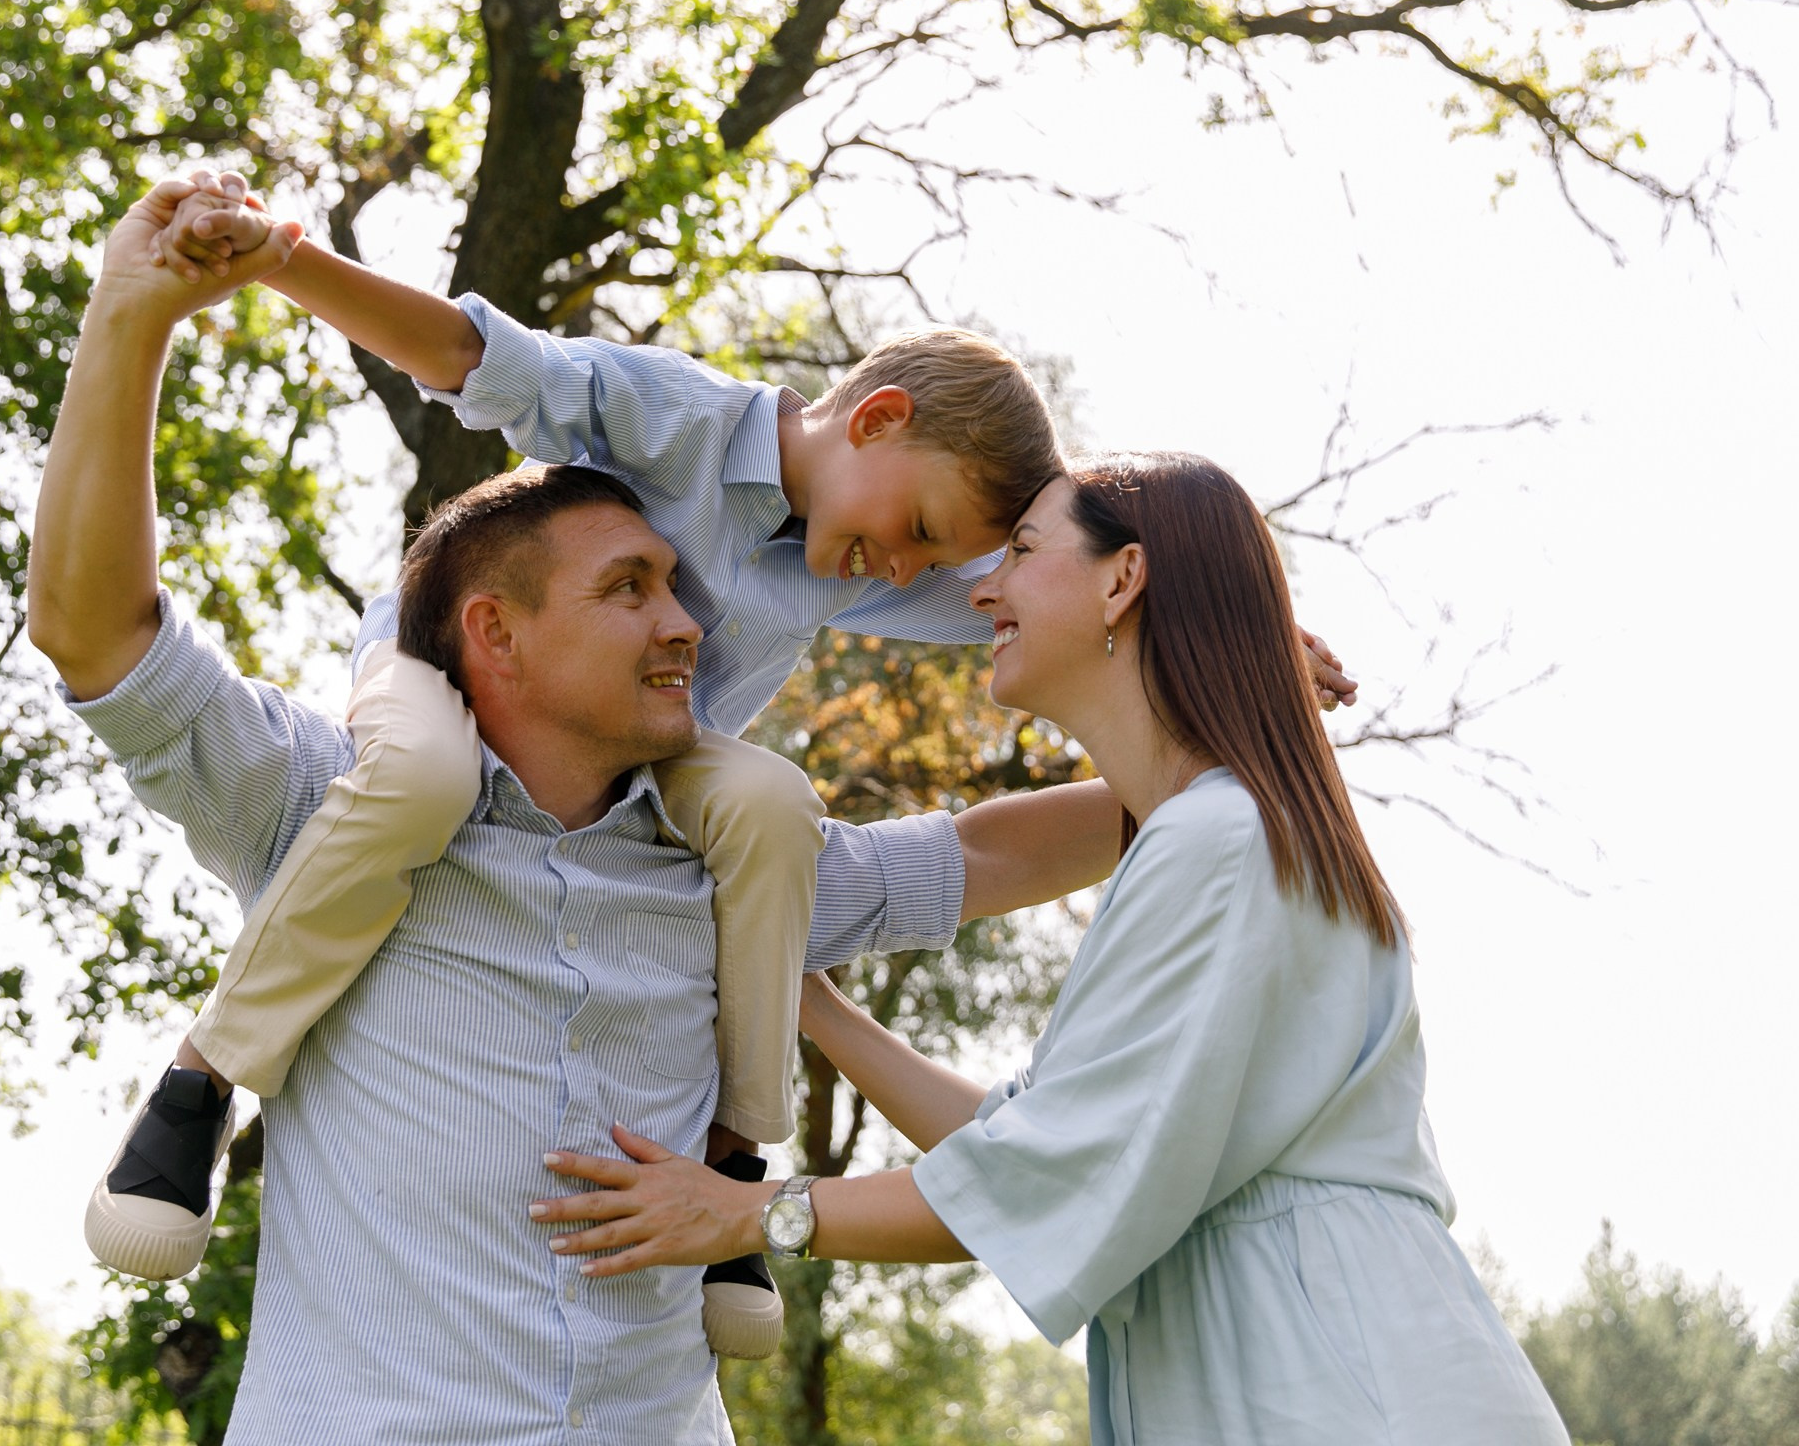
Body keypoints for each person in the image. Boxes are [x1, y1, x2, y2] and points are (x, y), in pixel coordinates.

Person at [85, 175, 1360, 1361]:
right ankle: (203, 1081)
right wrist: (285, 260)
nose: (909, 574)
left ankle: (737, 1156)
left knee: (769, 803)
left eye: (933, 559)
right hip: (439, 677)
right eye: (919, 532)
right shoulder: (679, 420)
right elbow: (472, 354)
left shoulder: (874, 550)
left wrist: (1237, 637)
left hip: (652, 756)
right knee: (423, 779)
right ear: (876, 419)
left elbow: (1056, 592)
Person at [530, 453, 1570, 1445]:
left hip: (1342, 1385)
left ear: (1123, 580)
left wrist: (745, 1213)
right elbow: (1026, 1135)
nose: (985, 591)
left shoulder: (1219, 839)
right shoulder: (1217, 831)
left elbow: (1036, 1171)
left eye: (1022, 552)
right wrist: (806, 996)